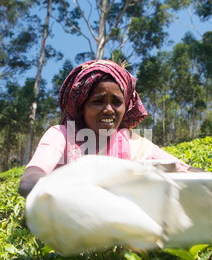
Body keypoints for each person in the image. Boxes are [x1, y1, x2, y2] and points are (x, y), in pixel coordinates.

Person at [18, 60, 201, 198]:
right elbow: (29, 181)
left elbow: (183, 170)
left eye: (116, 102)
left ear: (125, 106)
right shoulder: (61, 135)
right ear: (82, 106)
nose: (108, 110)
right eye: (98, 102)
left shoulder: (134, 144)